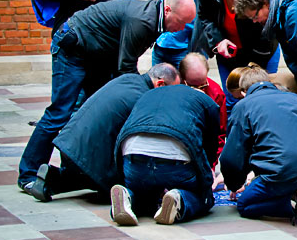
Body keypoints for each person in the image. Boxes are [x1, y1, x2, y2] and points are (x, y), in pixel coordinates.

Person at [17, 0, 196, 193]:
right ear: (168, 10)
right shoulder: (144, 21)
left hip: (94, 52)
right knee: (59, 113)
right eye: (181, 22)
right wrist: (145, 100)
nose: (182, 29)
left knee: (94, 110)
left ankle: (71, 170)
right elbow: (126, 69)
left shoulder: (154, 19)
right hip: (73, 46)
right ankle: (28, 174)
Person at [27, 63, 181, 202]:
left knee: (84, 174)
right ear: (160, 84)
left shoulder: (129, 79)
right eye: (171, 91)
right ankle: (61, 178)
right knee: (130, 190)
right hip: (88, 155)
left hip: (68, 144)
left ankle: (52, 179)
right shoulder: (144, 99)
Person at [219, 65, 297, 227]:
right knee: (284, 176)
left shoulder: (244, 106)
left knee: (245, 205)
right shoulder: (293, 98)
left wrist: (234, 184)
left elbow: (232, 155)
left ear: (244, 92)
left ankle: (292, 203)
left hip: (282, 170)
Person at [110, 78, 221, 226]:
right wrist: (206, 182)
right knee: (203, 199)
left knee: (143, 195)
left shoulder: (149, 94)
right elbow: (209, 146)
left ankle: (128, 196)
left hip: (133, 156)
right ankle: (179, 199)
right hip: (174, 160)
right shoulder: (206, 102)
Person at [198, 0, 280, 116]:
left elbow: (266, 32)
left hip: (261, 51)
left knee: (258, 96)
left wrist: (252, 68)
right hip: (228, 54)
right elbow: (204, 16)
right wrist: (218, 41)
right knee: (232, 98)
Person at [178, 52, 227, 161]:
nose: (199, 90)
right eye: (193, 86)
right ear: (183, 79)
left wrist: (211, 163)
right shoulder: (173, 88)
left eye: (203, 85)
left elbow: (220, 133)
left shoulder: (216, 93)